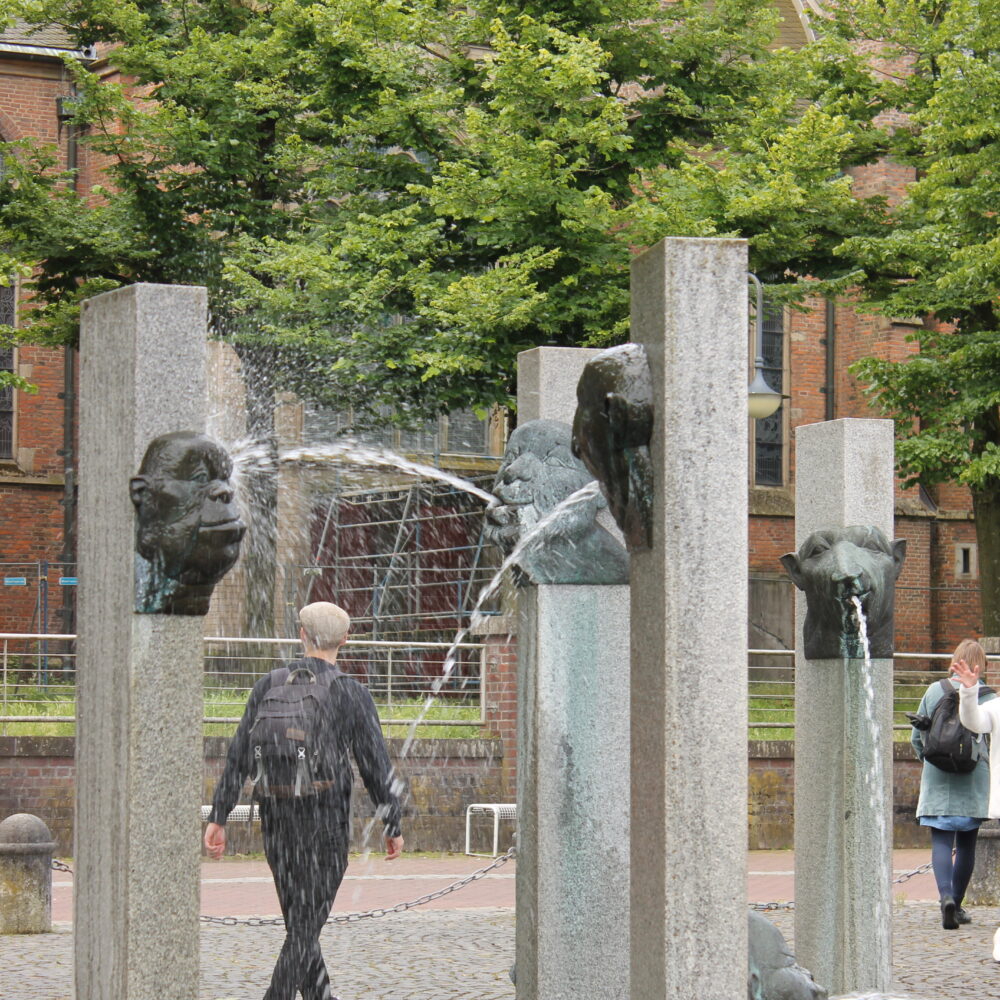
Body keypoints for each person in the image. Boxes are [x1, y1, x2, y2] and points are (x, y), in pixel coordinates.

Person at [204, 602, 404, 1000]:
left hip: (276, 819)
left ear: (301, 634)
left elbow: (239, 754)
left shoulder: (268, 684)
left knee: (301, 927)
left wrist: (219, 815)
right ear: (346, 639)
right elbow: (374, 764)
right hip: (325, 823)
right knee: (303, 930)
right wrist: (392, 822)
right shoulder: (351, 692)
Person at [912, 639, 995, 929]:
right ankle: (957, 905)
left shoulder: (935, 690)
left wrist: (932, 761)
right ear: (980, 665)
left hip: (937, 775)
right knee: (968, 844)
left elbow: (916, 736)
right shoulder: (988, 696)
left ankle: (945, 897)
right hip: (974, 777)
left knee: (942, 841)